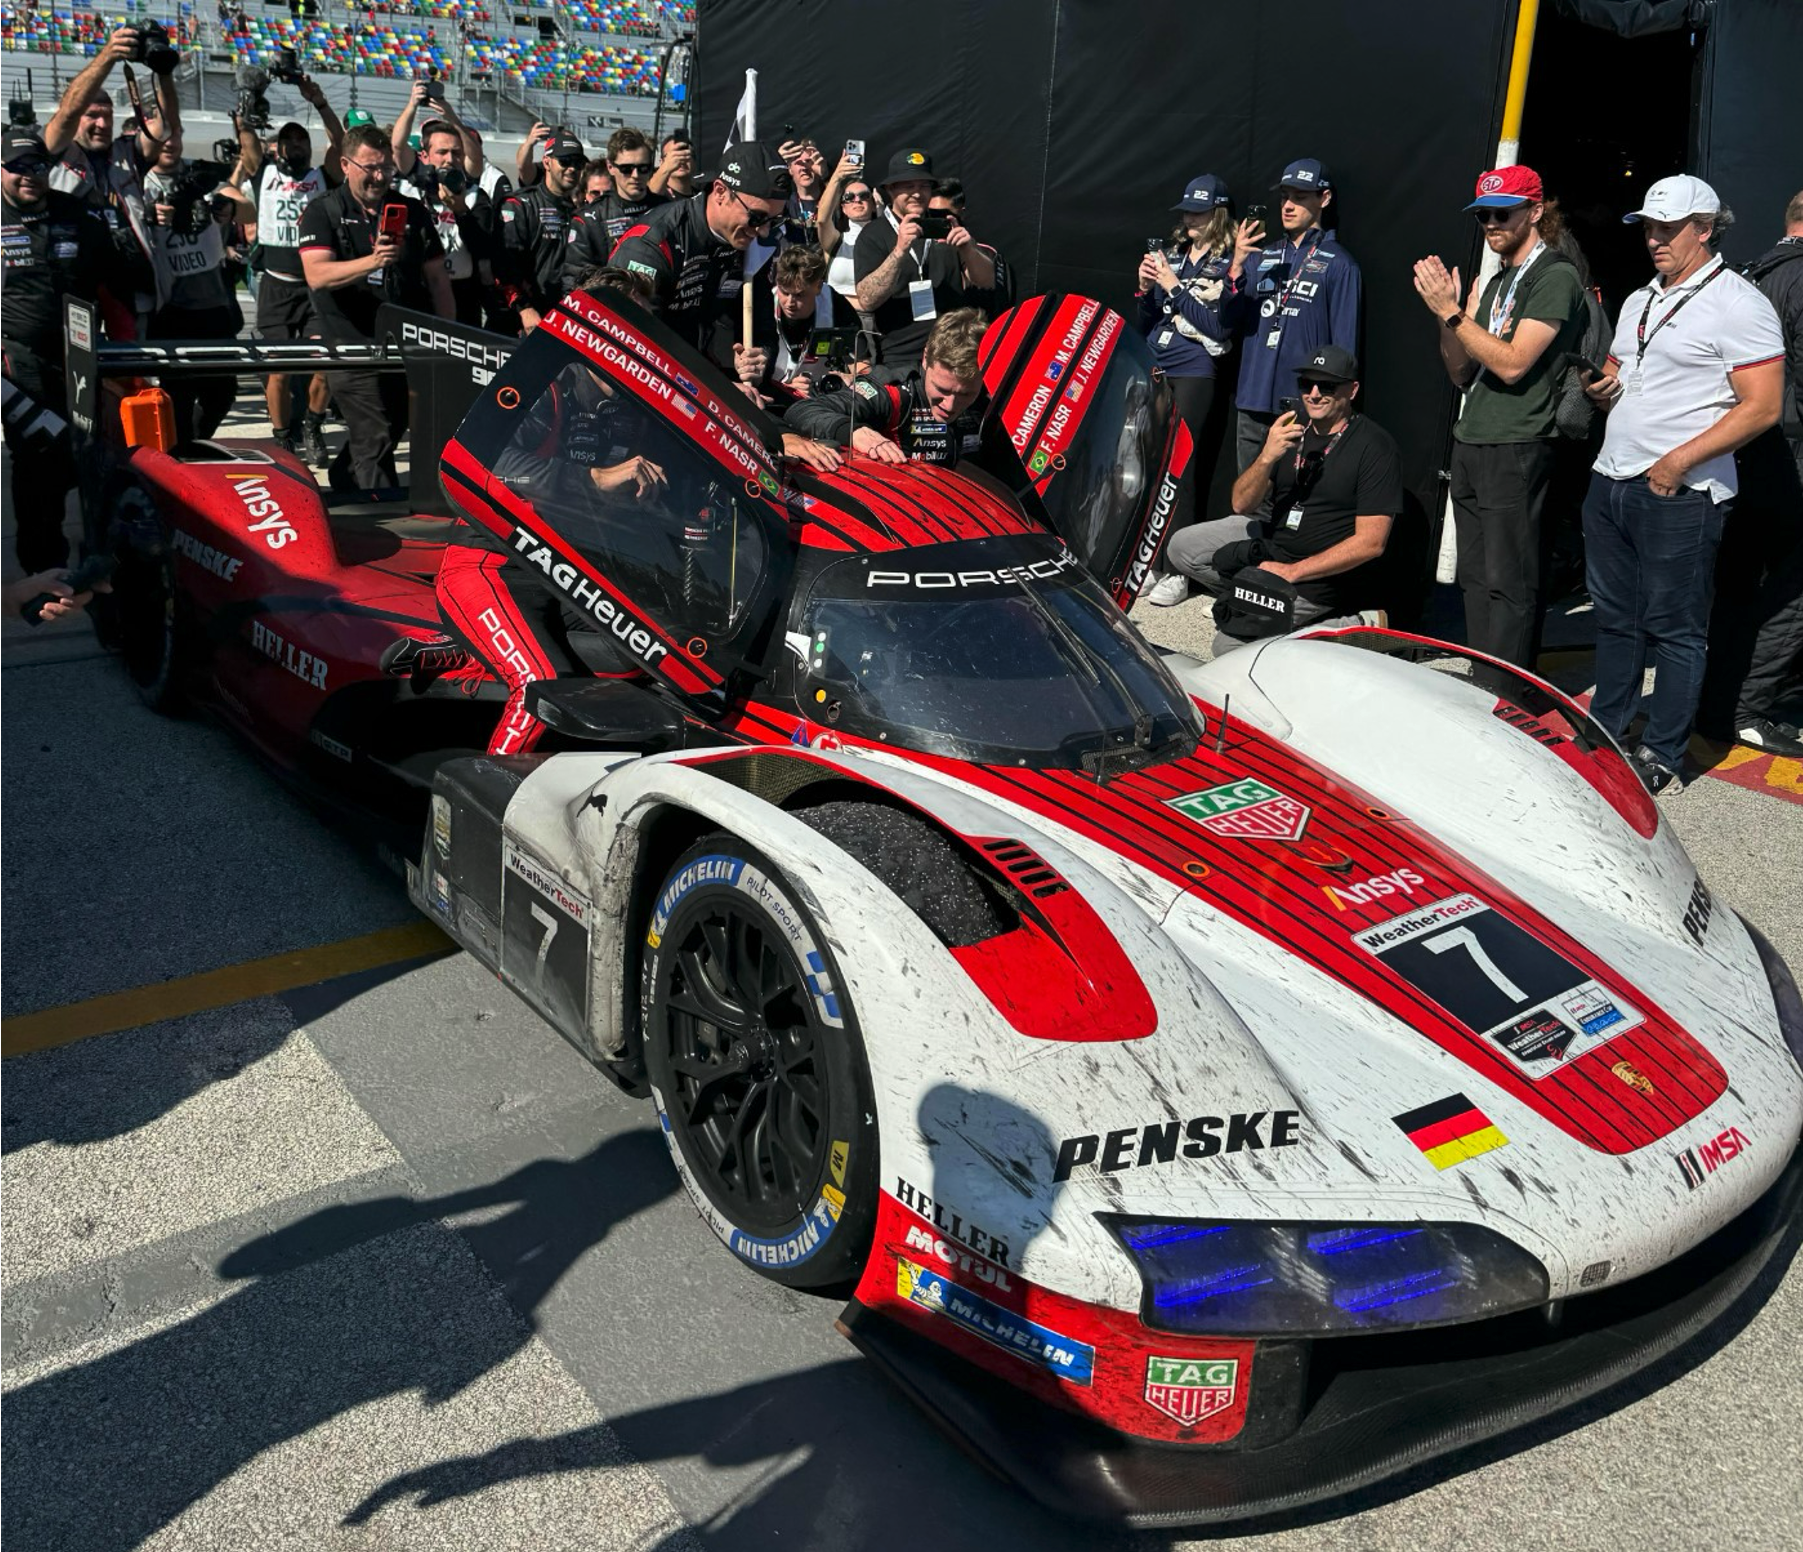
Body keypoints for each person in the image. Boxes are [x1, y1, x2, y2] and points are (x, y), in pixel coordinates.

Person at [1581, 175, 1784, 794]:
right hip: (1612, 478)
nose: (1654, 239)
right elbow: (1622, 369)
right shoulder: (1642, 297)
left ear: (1705, 228)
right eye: (1648, 227)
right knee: (1617, 619)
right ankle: (1608, 727)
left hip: (1681, 491)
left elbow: (1762, 406)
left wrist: (1677, 462)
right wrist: (1602, 388)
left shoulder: (1739, 303)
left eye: (1667, 228)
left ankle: (1663, 751)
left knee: (1675, 629)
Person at [1413, 165, 1588, 667]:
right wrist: (1446, 317)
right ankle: (1482, 672)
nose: (1490, 223)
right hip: (1474, 437)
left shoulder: (1555, 275)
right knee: (1475, 576)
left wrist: (1454, 315)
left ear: (1536, 212)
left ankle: (1508, 689)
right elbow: (1463, 374)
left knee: (1509, 578)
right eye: (1483, 215)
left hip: (1519, 441)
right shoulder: (1500, 280)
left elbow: (1512, 365)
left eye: (1502, 213)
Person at [1164, 345, 1399, 654]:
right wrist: (1266, 457)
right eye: (1306, 384)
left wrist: (1292, 572)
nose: (1314, 394)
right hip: (1274, 543)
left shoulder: (1375, 446)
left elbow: (1372, 543)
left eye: (1327, 385)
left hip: (1316, 579)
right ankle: (1252, 597)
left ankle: (1340, 626)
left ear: (1352, 390)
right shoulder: (1289, 429)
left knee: (1227, 647)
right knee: (1181, 547)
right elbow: (1240, 505)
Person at [1695, 189, 1803, 756]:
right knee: (1791, 586)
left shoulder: (1753, 274)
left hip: (1744, 452)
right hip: (1786, 454)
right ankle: (1748, 705)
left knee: (1739, 584)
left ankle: (1725, 699)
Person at [298, 124, 454, 490]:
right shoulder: (323, 211)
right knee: (376, 432)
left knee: (391, 426)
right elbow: (317, 274)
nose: (380, 176)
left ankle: (343, 478)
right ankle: (382, 522)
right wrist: (373, 261)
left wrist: (449, 335)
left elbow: (437, 279)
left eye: (385, 167)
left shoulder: (411, 210)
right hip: (350, 344)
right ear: (346, 164)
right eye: (370, 167)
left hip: (403, 342)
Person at [1, 126, 122, 570]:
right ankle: (42, 563)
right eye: (16, 168)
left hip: (79, 352)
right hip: (16, 358)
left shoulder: (74, 211)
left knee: (84, 453)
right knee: (38, 454)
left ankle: (93, 552)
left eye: (36, 166)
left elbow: (114, 272)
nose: (27, 176)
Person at [1134, 172, 1251, 607]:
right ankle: (1149, 561)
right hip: (1155, 364)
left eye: (1198, 212)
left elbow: (1218, 326)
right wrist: (1147, 289)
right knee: (1149, 465)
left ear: (1218, 214)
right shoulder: (1175, 254)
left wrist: (1172, 286)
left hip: (1195, 369)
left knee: (1179, 466)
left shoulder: (1228, 262)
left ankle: (1177, 570)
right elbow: (1147, 320)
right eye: (1186, 211)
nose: (1188, 219)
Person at [1223, 158, 1361, 481]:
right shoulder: (1261, 256)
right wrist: (1237, 266)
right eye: (1285, 196)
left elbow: (1345, 352)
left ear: (1323, 199)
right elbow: (1226, 322)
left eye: (1300, 197)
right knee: (1247, 501)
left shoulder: (1340, 265)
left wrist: (1331, 409)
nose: (1288, 205)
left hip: (1302, 408)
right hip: (1252, 402)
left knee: (1290, 504)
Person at [610, 140, 792, 378]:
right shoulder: (653, 244)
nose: (764, 231)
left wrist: (759, 360)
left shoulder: (751, 243)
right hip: (638, 383)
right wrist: (704, 390)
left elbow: (761, 325)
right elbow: (632, 348)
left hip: (697, 370)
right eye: (756, 217)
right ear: (720, 193)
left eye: (774, 220)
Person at [237, 85, 342, 466]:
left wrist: (320, 101)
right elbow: (246, 139)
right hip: (276, 285)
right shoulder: (261, 172)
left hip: (314, 287)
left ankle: (313, 425)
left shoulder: (321, 177)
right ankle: (283, 439)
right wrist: (249, 100)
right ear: (278, 147)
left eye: (301, 140)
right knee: (277, 372)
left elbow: (341, 143)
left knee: (326, 366)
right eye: (288, 140)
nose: (296, 145)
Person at [141, 130, 248, 445]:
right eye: (161, 137)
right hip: (169, 308)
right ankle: (182, 455)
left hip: (214, 306)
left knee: (223, 393)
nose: (170, 143)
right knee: (179, 398)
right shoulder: (138, 181)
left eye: (175, 135)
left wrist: (226, 206)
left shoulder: (200, 172)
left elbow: (247, 207)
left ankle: (196, 443)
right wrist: (149, 215)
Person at [853, 147, 1000, 371]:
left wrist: (968, 250)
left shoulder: (946, 224)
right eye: (908, 186)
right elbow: (867, 299)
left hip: (951, 350)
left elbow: (987, 281)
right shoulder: (873, 234)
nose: (917, 193)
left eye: (923, 185)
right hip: (900, 357)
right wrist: (899, 251)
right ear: (891, 190)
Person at [783, 307, 988, 464]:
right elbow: (802, 410)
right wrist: (854, 430)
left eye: (966, 394)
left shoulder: (995, 397)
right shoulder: (892, 392)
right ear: (926, 358)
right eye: (942, 390)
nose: (951, 405)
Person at [397, 116, 498, 328]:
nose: (449, 159)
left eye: (456, 153)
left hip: (464, 296)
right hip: (417, 293)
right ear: (424, 156)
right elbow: (397, 147)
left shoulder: (475, 196)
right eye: (442, 152)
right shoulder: (409, 193)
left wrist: (461, 211)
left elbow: (485, 249)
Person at [742, 243, 863, 402]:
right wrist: (788, 387)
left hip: (820, 398)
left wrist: (847, 378)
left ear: (818, 286)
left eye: (800, 295)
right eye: (784, 292)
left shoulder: (836, 305)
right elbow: (751, 374)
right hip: (771, 393)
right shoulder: (763, 307)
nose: (789, 302)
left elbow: (861, 363)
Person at [496, 127, 583, 333]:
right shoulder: (520, 205)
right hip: (526, 319)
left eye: (578, 163)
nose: (572, 169)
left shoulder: (583, 212)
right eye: (565, 161)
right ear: (547, 163)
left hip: (567, 321)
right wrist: (524, 308)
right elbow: (503, 267)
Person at [560, 127, 668, 287]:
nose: (636, 175)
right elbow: (574, 282)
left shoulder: (668, 210)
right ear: (610, 167)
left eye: (643, 168)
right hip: (610, 306)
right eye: (626, 169)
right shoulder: (589, 219)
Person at [826, 175, 874, 301]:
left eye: (864, 196)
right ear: (843, 209)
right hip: (838, 315)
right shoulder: (836, 239)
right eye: (849, 197)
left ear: (873, 204)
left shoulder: (887, 238)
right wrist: (837, 177)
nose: (857, 200)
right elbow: (822, 220)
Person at [648, 131, 693, 199]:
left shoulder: (702, 196)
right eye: (674, 155)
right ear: (661, 162)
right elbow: (647, 197)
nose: (681, 160)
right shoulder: (660, 194)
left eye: (685, 155)